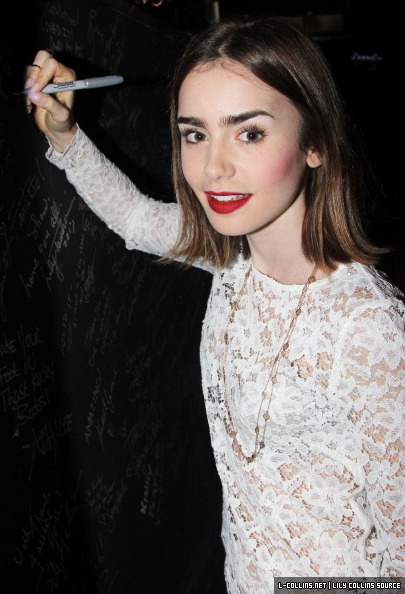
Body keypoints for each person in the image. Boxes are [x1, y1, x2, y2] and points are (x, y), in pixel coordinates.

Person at [26, 16, 404, 591]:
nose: (213, 168)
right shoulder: (232, 260)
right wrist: (64, 133)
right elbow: (135, 217)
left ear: (316, 144)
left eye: (248, 133)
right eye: (195, 134)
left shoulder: (367, 329)